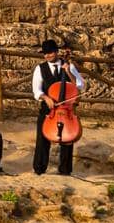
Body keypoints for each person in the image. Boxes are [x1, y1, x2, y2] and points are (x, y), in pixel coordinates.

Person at [32, 39, 84, 176]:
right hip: (48, 109)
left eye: (49, 53)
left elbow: (80, 86)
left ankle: (65, 170)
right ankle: (39, 169)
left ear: (56, 52)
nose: (47, 56)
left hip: (66, 108)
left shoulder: (68, 65)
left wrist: (69, 72)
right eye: (45, 53)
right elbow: (36, 90)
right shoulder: (40, 68)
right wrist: (46, 97)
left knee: (67, 139)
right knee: (42, 138)